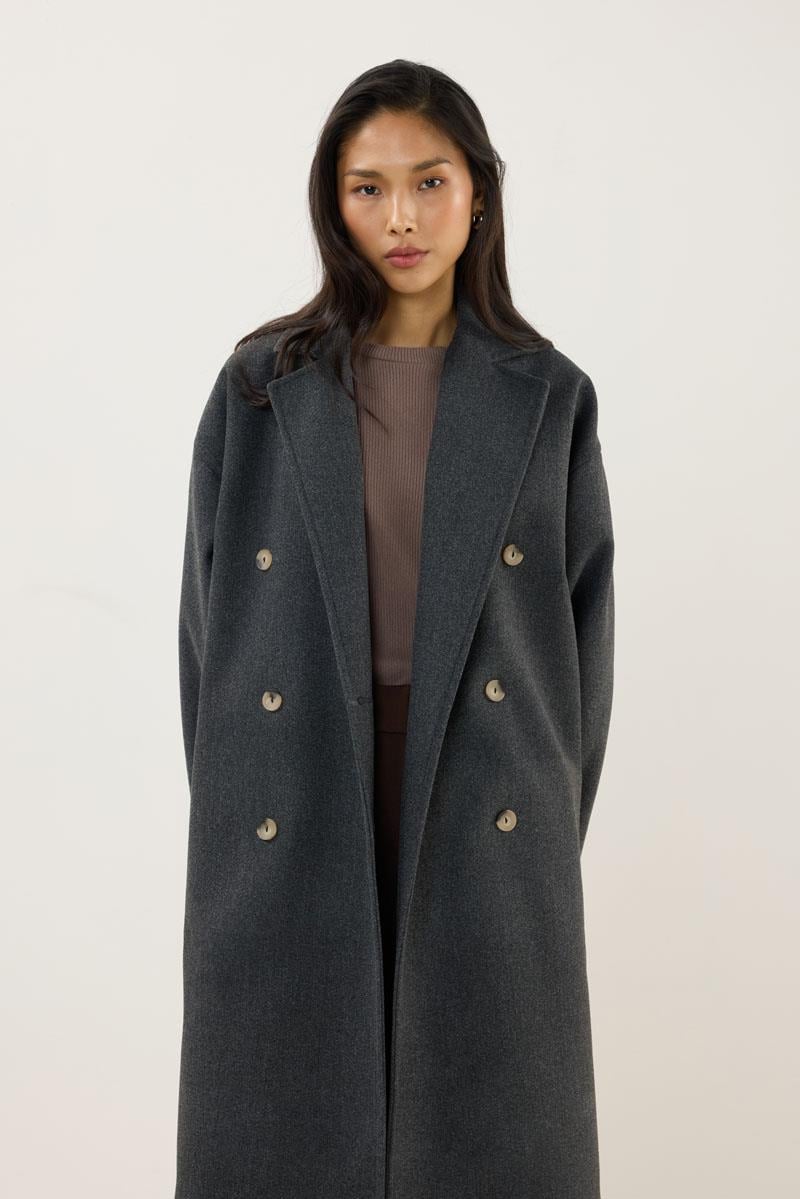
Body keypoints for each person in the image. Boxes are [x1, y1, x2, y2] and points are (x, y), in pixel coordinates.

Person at [176, 58, 615, 1199]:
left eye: (429, 181)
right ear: (333, 203)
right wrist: (239, 790)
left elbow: (581, 650)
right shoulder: (261, 388)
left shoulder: (547, 396)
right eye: (367, 188)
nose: (402, 218)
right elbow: (206, 638)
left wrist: (535, 820)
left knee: (487, 1118)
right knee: (283, 1102)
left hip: (480, 777)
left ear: (479, 192)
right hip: (298, 767)